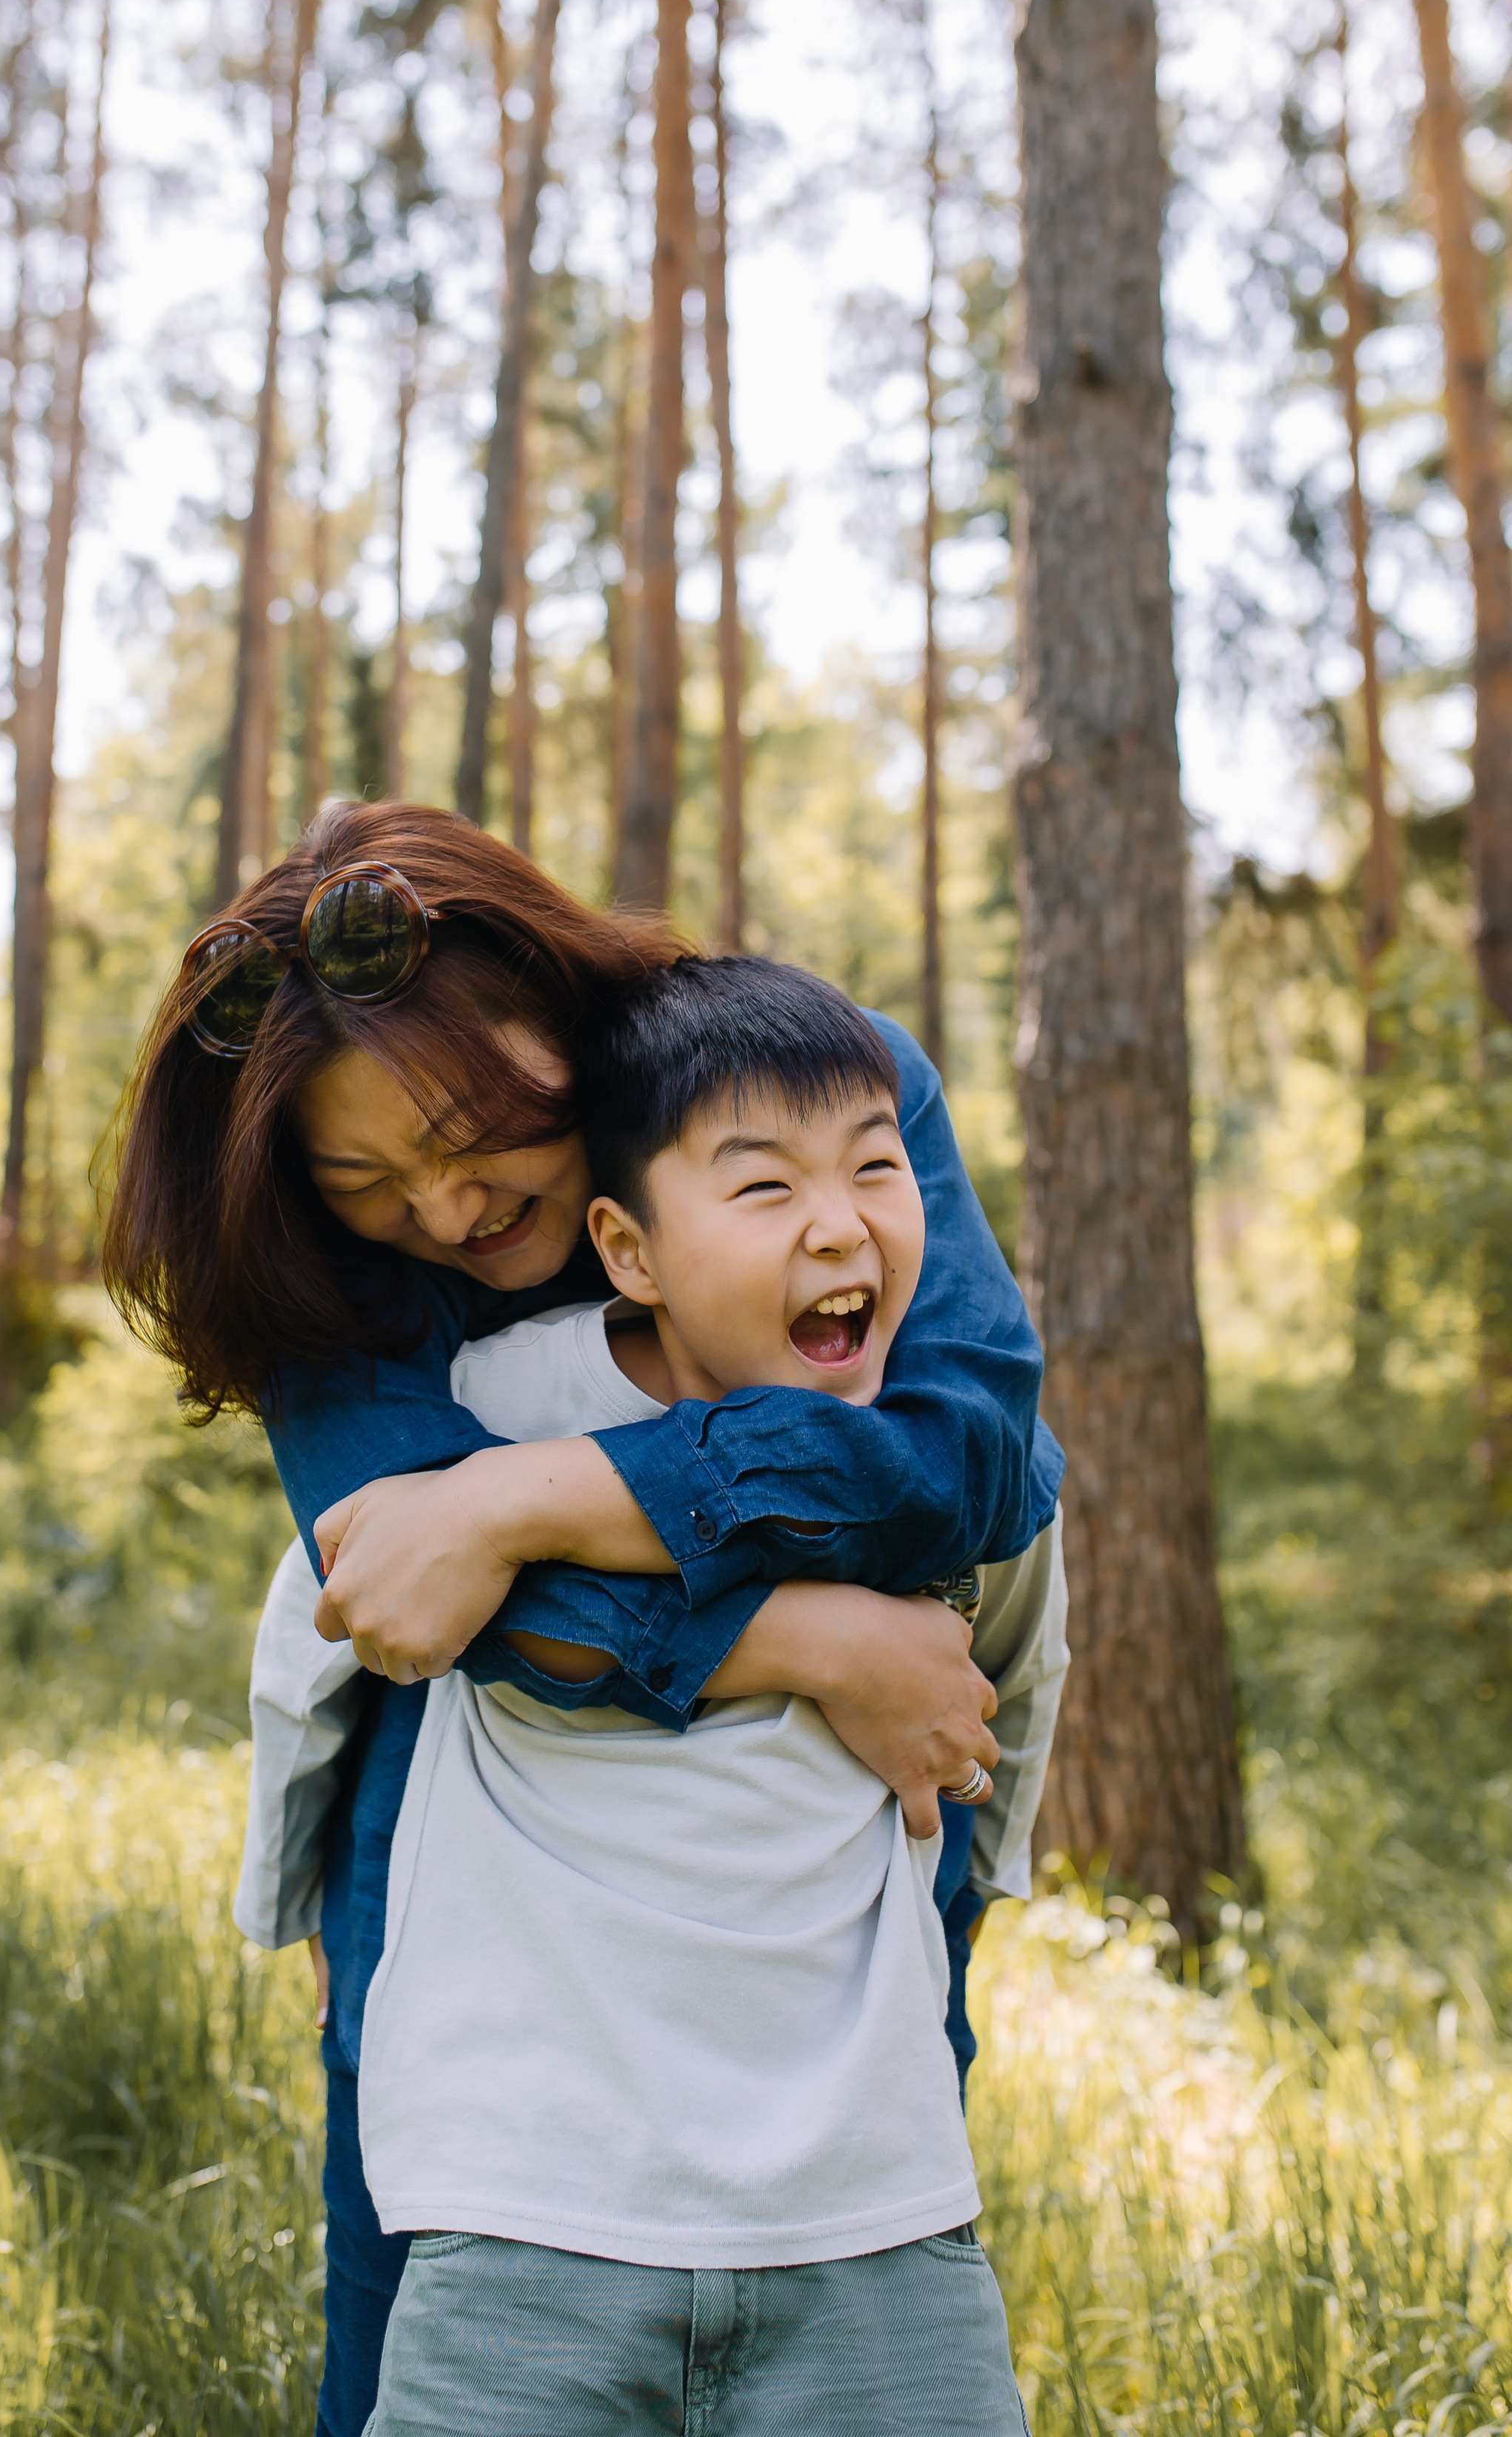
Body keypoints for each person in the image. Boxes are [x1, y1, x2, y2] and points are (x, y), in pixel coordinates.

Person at [102, 801, 1061, 2437]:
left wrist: (511, 1498)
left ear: (563, 1013)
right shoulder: (323, 1268)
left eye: (480, 1132)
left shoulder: (816, 1087)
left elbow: (960, 1453)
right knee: (435, 2293)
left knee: (840, 2273)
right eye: (372, 1181)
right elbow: (404, 1595)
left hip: (847, 1824)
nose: (451, 1207)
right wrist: (807, 1643)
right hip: (464, 1813)